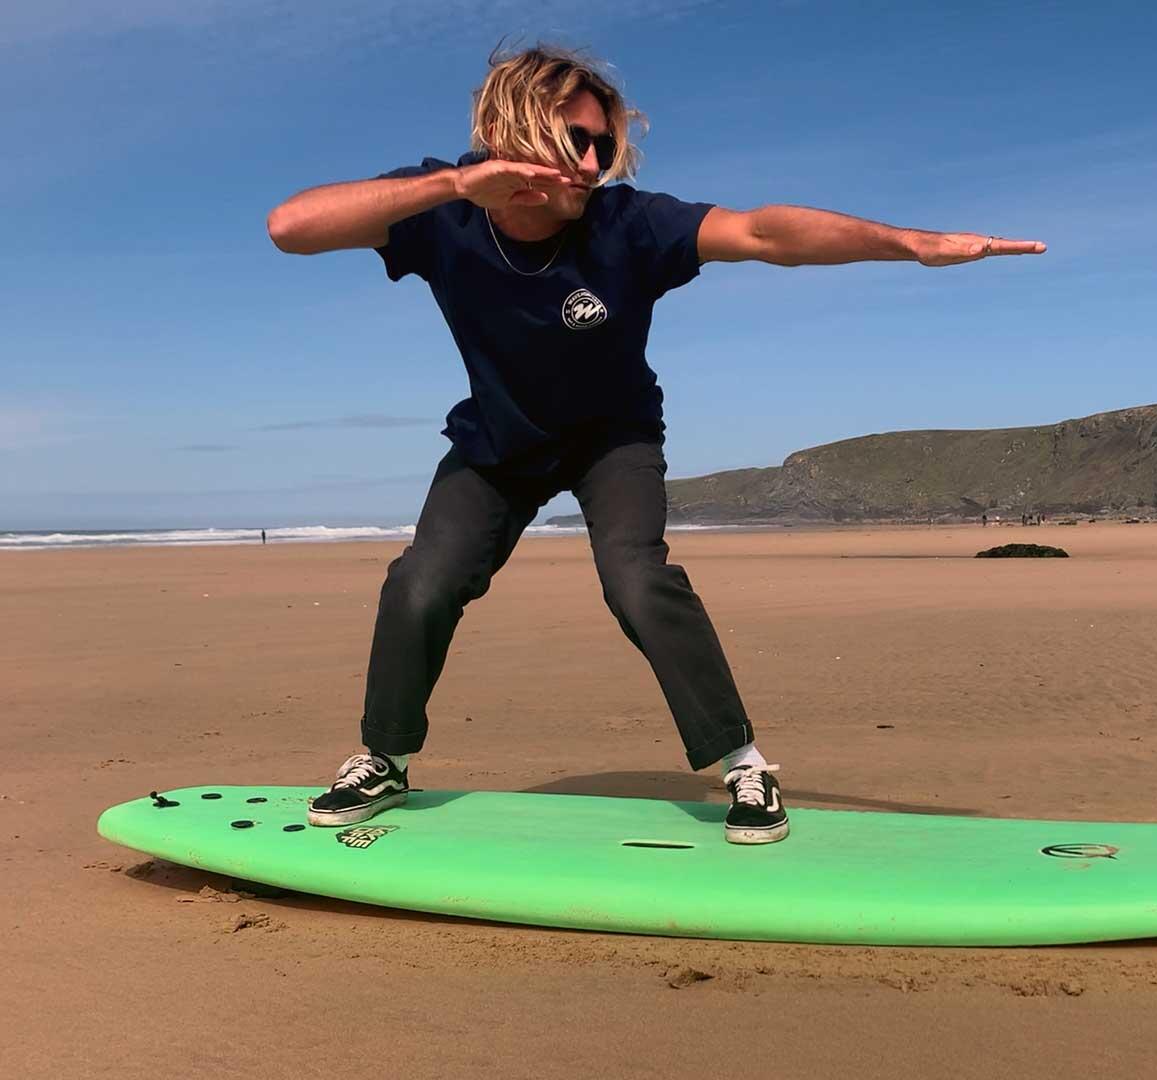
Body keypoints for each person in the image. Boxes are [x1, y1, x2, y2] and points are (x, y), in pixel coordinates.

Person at [265, 42, 1045, 845]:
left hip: (613, 438)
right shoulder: (445, 211)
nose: (598, 162)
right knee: (422, 584)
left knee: (637, 581)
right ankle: (384, 759)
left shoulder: (627, 224)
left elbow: (764, 232)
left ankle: (744, 765)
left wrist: (909, 243)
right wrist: (457, 184)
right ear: (514, 130)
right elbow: (290, 227)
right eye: (580, 140)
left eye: (606, 144)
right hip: (499, 441)